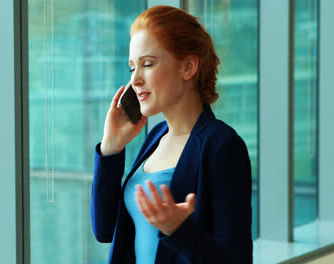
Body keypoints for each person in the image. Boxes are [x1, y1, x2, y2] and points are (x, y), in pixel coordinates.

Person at [90, 5, 253, 264]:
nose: (136, 80)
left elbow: (237, 260)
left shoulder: (222, 145)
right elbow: (105, 230)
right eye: (132, 68)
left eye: (147, 64)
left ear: (187, 67)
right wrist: (111, 148)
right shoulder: (156, 137)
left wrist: (180, 231)